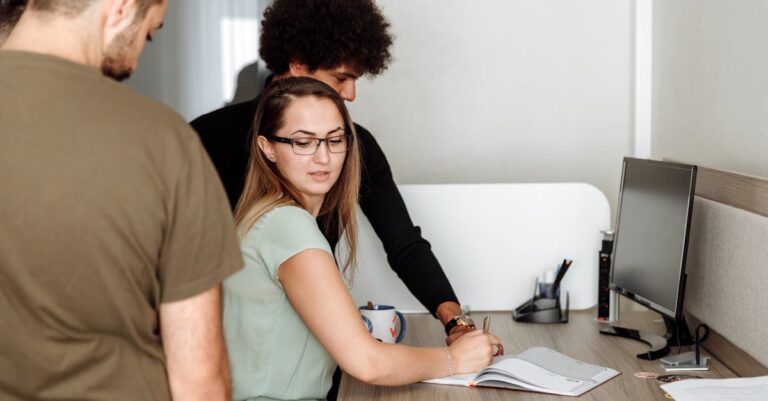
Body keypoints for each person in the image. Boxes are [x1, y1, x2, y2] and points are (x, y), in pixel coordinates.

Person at [192, 0, 475, 350]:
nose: (351, 94)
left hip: (323, 347)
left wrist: (455, 320)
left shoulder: (357, 145)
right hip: (229, 349)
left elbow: (404, 243)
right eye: (341, 78)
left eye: (356, 79)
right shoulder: (206, 138)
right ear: (296, 65)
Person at [0, 1, 243, 400]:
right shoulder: (164, 142)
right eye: (149, 32)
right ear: (120, 8)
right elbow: (199, 380)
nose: (134, 62)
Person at [224, 76, 500, 401]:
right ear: (267, 147)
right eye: (303, 142)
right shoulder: (288, 227)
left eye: (335, 139)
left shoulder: (265, 215)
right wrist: (455, 359)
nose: (323, 157)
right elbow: (367, 364)